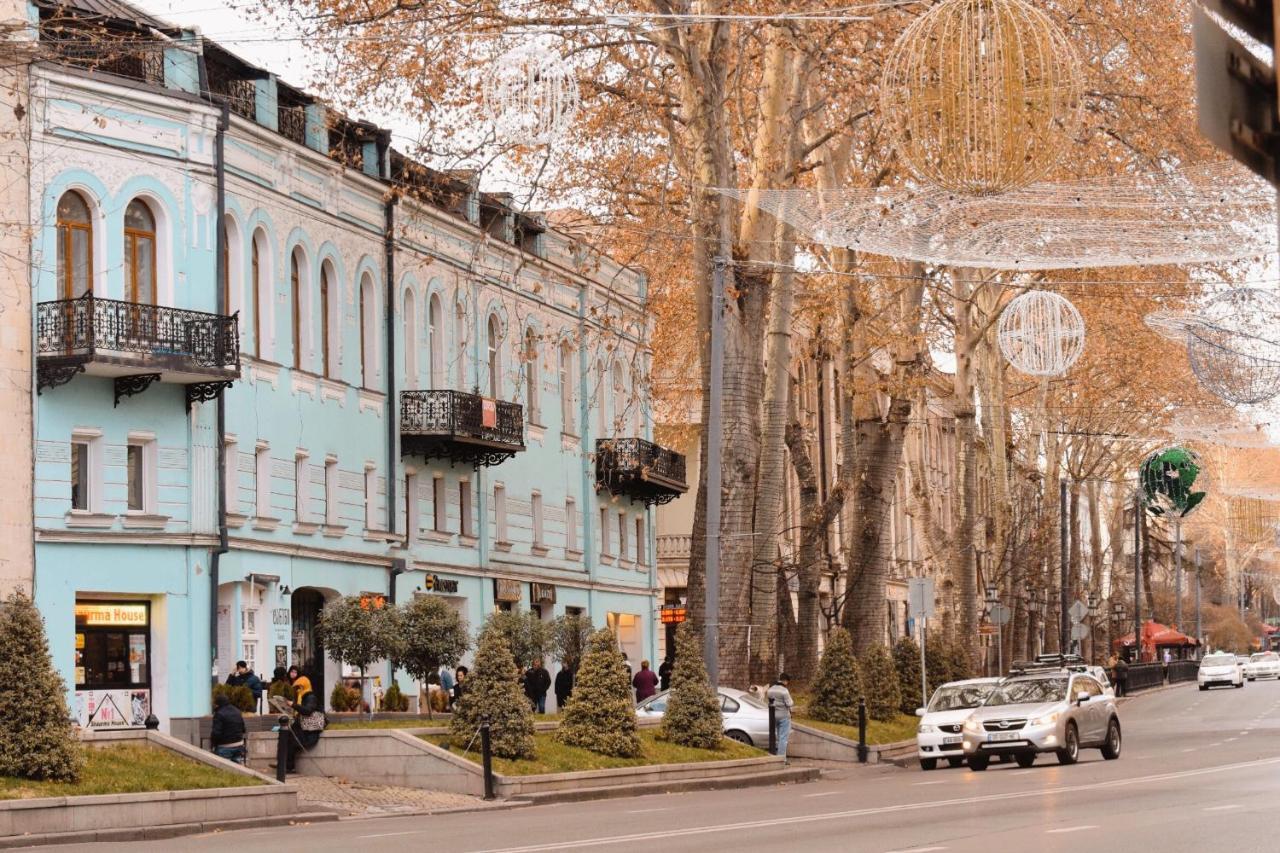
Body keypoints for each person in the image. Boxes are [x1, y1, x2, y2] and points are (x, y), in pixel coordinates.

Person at [286, 669, 325, 773]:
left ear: (303, 687)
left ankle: (289, 766)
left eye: (298, 688)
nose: (297, 690)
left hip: (310, 730)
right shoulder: (304, 697)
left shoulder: (310, 697)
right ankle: (287, 765)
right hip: (304, 727)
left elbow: (307, 711)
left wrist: (293, 705)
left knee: (291, 739)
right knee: (288, 737)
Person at [210, 692, 247, 765]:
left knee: (224, 771)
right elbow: (243, 729)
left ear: (218, 704)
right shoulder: (237, 711)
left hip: (224, 746)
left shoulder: (219, 714)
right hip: (239, 745)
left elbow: (216, 733)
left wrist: (213, 745)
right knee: (238, 770)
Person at [766, 673, 795, 764]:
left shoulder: (770, 689)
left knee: (777, 737)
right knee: (783, 738)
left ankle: (775, 756)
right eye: (787, 682)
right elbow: (790, 703)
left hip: (773, 716)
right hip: (784, 717)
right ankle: (782, 759)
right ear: (785, 681)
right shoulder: (784, 691)